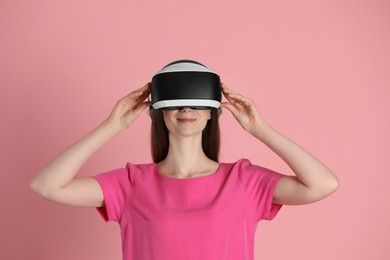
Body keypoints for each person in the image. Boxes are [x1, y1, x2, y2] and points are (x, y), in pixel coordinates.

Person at [30, 70, 339, 259]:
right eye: (176, 102)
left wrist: (260, 129)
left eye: (196, 102)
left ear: (211, 113)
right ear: (160, 112)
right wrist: (112, 126)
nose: (186, 108)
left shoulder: (243, 180)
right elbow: (46, 184)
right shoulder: (131, 184)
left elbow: (322, 184)